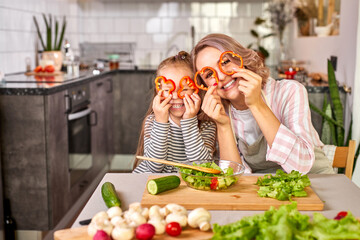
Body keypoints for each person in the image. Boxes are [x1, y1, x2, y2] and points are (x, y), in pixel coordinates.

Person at [191, 33, 334, 174]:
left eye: (225, 62)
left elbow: (300, 165)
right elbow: (235, 178)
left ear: (241, 58)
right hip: (268, 191)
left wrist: (257, 104)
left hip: (316, 183)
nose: (221, 76)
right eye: (209, 75)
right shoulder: (220, 113)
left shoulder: (289, 91)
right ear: (204, 85)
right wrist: (223, 125)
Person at [133, 51, 216, 173]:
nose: (176, 95)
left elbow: (202, 167)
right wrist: (161, 122)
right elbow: (154, 167)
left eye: (185, 88)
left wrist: (189, 120)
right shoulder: (152, 121)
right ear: (159, 91)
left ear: (196, 90)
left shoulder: (207, 126)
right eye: (168, 89)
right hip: (149, 181)